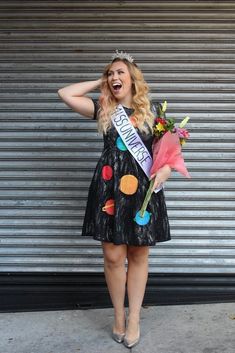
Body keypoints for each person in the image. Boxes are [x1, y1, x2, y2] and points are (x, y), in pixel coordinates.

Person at [58, 50, 171, 348]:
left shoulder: (155, 111)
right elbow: (65, 93)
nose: (114, 77)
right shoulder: (103, 109)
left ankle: (133, 318)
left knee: (138, 254)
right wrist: (101, 82)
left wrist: (167, 170)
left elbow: (168, 153)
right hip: (109, 189)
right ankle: (117, 315)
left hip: (141, 191)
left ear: (133, 78)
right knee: (112, 256)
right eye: (111, 73)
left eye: (120, 72)